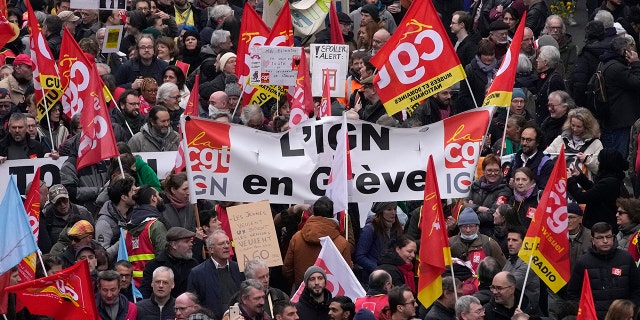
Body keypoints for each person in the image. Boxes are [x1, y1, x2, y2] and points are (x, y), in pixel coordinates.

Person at [567, 222, 640, 319]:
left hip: (622, 316)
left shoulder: (626, 258)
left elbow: (637, 289)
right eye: (600, 237)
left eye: (608, 236)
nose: (605, 241)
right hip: (593, 316)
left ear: (613, 237)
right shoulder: (583, 262)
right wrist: (585, 311)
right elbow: (573, 294)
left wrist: (630, 309)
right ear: (592, 240)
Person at [283, 196, 352, 288]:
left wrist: (300, 283)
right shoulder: (342, 243)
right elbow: (346, 274)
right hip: (331, 293)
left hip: (302, 293)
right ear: (332, 215)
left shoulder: (297, 237)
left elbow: (287, 269)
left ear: (313, 212)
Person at [187, 230, 245, 320]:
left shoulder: (238, 268)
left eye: (227, 242)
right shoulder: (198, 273)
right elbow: (193, 305)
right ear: (211, 249)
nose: (226, 246)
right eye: (221, 244)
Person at [599, 37, 640, 158]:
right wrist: (636, 63)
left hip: (613, 118)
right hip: (620, 121)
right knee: (618, 156)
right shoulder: (617, 68)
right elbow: (637, 83)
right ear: (625, 51)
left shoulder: (606, 63)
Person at [567, 148, 628, 230]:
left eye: (599, 160)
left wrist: (570, 180)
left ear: (606, 164)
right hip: (602, 225)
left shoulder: (608, 182)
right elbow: (595, 190)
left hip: (600, 228)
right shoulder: (613, 179)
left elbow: (582, 197)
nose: (597, 163)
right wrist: (578, 176)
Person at [125, 185, 169, 287]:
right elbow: (163, 257)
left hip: (133, 286)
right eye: (158, 195)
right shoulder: (155, 225)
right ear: (153, 198)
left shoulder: (129, 226)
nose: (161, 198)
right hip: (154, 284)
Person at [139, 227, 199, 299]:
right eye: (186, 241)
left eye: (191, 241)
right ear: (174, 245)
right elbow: (145, 293)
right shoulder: (154, 265)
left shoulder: (193, 264)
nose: (191, 244)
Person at [545, 107, 603, 178]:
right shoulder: (560, 139)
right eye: (573, 125)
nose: (575, 129)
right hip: (560, 184)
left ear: (587, 126)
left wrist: (587, 160)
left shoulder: (596, 143)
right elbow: (545, 159)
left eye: (579, 126)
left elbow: (600, 170)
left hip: (583, 186)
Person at [465, 154, 512, 236]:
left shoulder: (505, 191)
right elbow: (463, 205)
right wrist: (478, 208)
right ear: (483, 170)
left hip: (491, 235)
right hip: (470, 232)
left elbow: (492, 215)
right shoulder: (475, 185)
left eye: (496, 170)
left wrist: (471, 213)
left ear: (501, 170)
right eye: (489, 170)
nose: (493, 173)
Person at [449, 207, 506, 272]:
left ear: (477, 227)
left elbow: (503, 267)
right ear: (459, 227)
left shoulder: (489, 243)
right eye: (464, 226)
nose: (468, 230)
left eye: (471, 226)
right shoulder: (451, 243)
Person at [96, 176, 137, 263]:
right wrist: (122, 241)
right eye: (133, 191)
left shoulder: (134, 213)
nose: (136, 193)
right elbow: (102, 257)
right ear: (124, 197)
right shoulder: (104, 223)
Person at [355, 202, 402, 276]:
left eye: (395, 209)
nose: (393, 212)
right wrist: (378, 270)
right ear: (381, 211)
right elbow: (360, 256)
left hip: (390, 274)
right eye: (389, 209)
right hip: (372, 276)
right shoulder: (370, 229)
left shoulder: (396, 229)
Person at [502, 227, 540, 310]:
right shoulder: (511, 259)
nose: (510, 244)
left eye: (514, 240)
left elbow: (508, 285)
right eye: (508, 240)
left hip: (525, 310)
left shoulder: (529, 262)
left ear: (524, 243)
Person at [457, 39, 499, 112]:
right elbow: (463, 96)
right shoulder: (470, 70)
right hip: (477, 112)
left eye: (491, 54)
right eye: (486, 55)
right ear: (480, 55)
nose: (489, 58)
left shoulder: (500, 67)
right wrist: (477, 108)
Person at [534, 46, 566, 124]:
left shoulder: (555, 80)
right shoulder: (544, 77)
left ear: (546, 62)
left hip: (550, 123)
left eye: (539, 57)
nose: (537, 60)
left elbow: (557, 105)